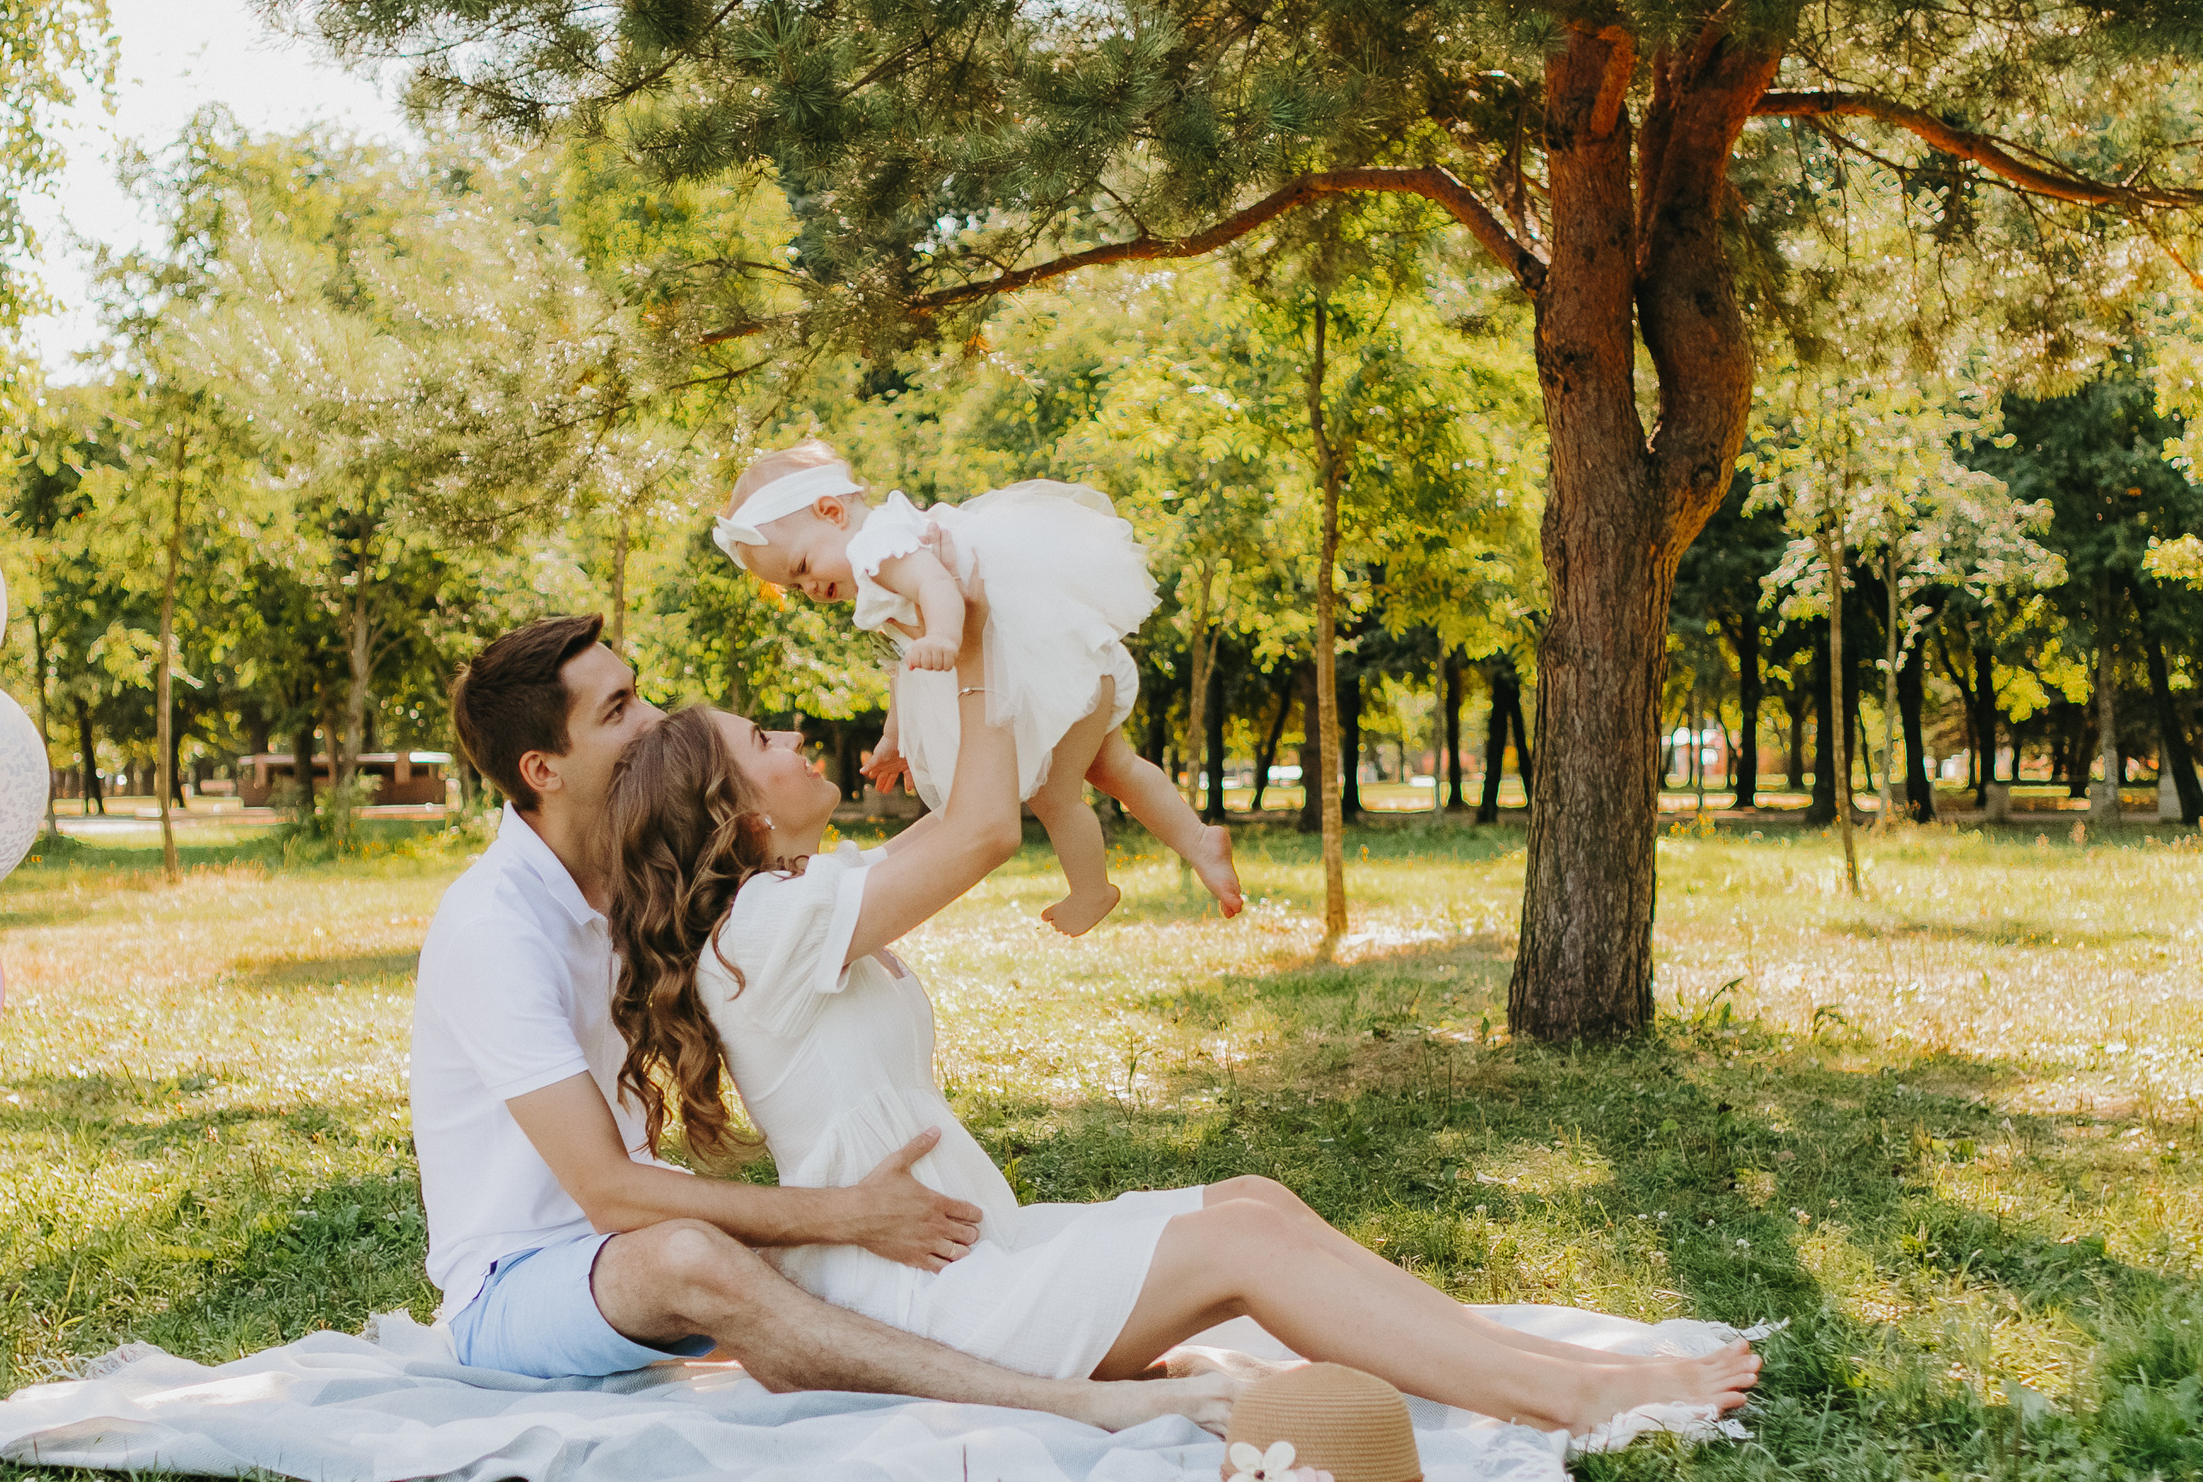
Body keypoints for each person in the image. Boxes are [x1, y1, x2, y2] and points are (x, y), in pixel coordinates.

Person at [603, 596, 1765, 1436]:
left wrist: (958, 652)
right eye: (764, 742)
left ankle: (1534, 1359)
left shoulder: (797, 903)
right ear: (737, 816)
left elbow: (963, 809)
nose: (795, 739)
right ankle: (1576, 1398)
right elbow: (982, 833)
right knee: (1241, 1245)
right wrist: (966, 647)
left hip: (964, 1247)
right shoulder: (759, 929)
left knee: (1250, 1201)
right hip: (925, 1294)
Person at [409, 612, 1235, 1433]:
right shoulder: (496, 925)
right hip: (519, 1282)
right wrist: (843, 1212)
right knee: (695, 1258)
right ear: (542, 769)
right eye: (618, 708)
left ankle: (1074, 1343)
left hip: (640, 1242)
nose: (657, 721)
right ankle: (1070, 1404)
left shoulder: (650, 882)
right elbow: (608, 1190)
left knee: (835, 1270)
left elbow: (934, 848)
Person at [710, 439, 1243, 934]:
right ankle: (1198, 840)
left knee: (1056, 794)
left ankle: (1092, 889)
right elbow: (903, 666)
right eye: (794, 585)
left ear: (833, 511)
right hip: (1059, 667)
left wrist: (945, 633)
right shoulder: (873, 559)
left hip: (1043, 672)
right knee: (1114, 766)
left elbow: (940, 585)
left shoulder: (880, 546)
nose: (809, 587)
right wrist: (896, 737)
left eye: (802, 566)